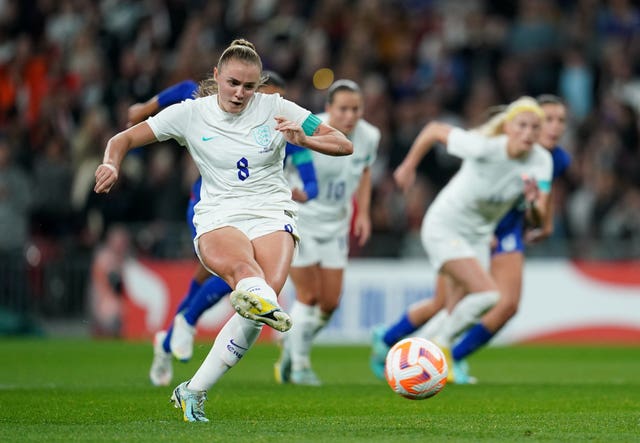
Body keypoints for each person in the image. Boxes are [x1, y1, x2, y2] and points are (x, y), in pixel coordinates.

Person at [94, 39, 352, 422]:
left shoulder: (276, 107)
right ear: (216, 77)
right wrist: (112, 164)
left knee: (260, 304)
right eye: (232, 83)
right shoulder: (190, 113)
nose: (240, 93)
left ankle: (192, 391)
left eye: (249, 86)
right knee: (249, 280)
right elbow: (124, 138)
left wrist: (306, 139)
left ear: (259, 84)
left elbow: (342, 142)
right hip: (219, 214)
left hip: (272, 212)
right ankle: (220, 313)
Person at [133, 71, 319, 387]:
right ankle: (185, 324)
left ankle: (169, 340)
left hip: (260, 213)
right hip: (212, 205)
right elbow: (187, 88)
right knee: (232, 274)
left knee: (228, 279)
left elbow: (311, 178)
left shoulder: (289, 127)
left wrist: (305, 191)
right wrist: (146, 107)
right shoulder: (220, 109)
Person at [370, 95, 571, 384]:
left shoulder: (541, 161)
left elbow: (538, 215)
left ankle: (411, 353)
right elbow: (435, 129)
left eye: (534, 128)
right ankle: (434, 349)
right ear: (508, 127)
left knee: (454, 307)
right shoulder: (485, 147)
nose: (528, 133)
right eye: (522, 126)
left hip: (480, 235)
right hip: (445, 226)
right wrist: (408, 166)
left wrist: (531, 206)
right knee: (488, 295)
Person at [274, 80, 380, 386]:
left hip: (337, 223)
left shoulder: (370, 136)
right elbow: (277, 164)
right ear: (328, 109)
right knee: (309, 296)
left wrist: (365, 211)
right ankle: (300, 366)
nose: (350, 115)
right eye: (343, 109)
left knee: (330, 302)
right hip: (302, 219)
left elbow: (365, 170)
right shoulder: (307, 129)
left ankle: (292, 345)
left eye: (356, 109)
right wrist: (287, 191)